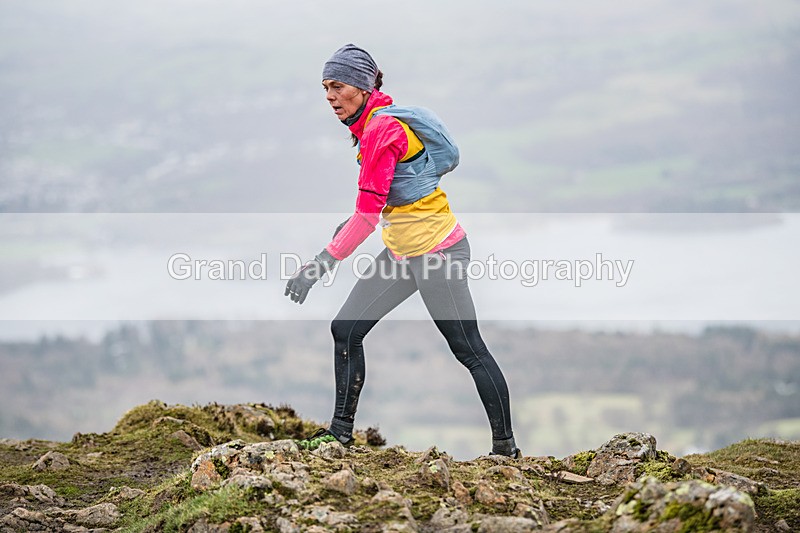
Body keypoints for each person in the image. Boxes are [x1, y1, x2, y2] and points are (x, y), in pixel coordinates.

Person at [285, 44, 520, 458]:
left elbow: (365, 218)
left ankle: (506, 450)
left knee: (468, 349)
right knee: (346, 329)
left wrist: (319, 265)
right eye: (325, 88)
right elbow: (379, 205)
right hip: (402, 253)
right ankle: (339, 433)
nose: (329, 96)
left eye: (337, 86)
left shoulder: (381, 131)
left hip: (437, 254)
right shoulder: (370, 126)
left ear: (360, 86)